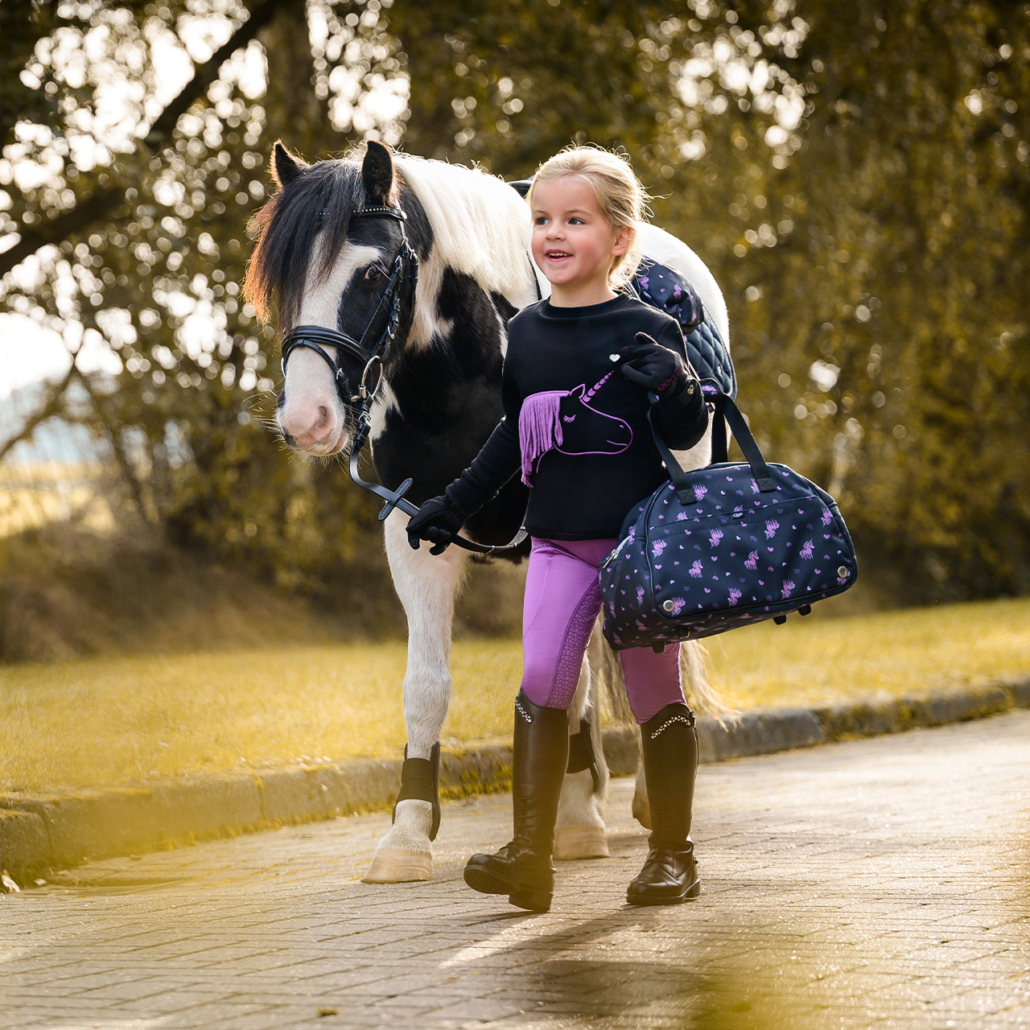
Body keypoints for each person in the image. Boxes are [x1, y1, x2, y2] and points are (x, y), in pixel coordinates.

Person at [406, 147, 709, 913]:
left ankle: (673, 857)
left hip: (637, 549)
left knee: (655, 693)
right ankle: (530, 857)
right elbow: (513, 435)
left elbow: (684, 431)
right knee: (541, 682)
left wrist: (676, 383)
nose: (553, 233)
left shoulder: (650, 328)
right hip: (558, 544)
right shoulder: (530, 333)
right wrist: (453, 503)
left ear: (619, 238)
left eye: (576, 219)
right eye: (541, 219)